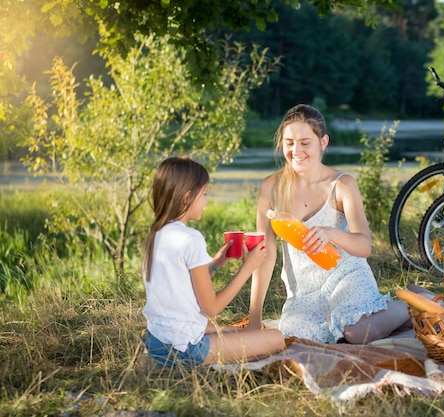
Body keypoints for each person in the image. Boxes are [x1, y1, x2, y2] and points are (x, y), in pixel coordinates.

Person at [248, 104, 411, 344]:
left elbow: (364, 246)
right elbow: (264, 255)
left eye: (305, 143)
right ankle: (394, 311)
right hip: (305, 291)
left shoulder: (342, 184)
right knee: (299, 338)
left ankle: (412, 305)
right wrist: (254, 318)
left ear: (323, 142)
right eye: (289, 142)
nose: (296, 151)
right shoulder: (270, 188)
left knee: (354, 331)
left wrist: (331, 232)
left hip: (347, 276)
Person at [142, 156, 285, 367]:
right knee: (277, 338)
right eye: (204, 194)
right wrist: (248, 267)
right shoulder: (191, 238)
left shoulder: (157, 234)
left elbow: (182, 282)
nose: (206, 201)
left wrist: (216, 262)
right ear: (187, 197)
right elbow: (211, 309)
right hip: (186, 349)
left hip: (157, 341)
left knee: (240, 331)